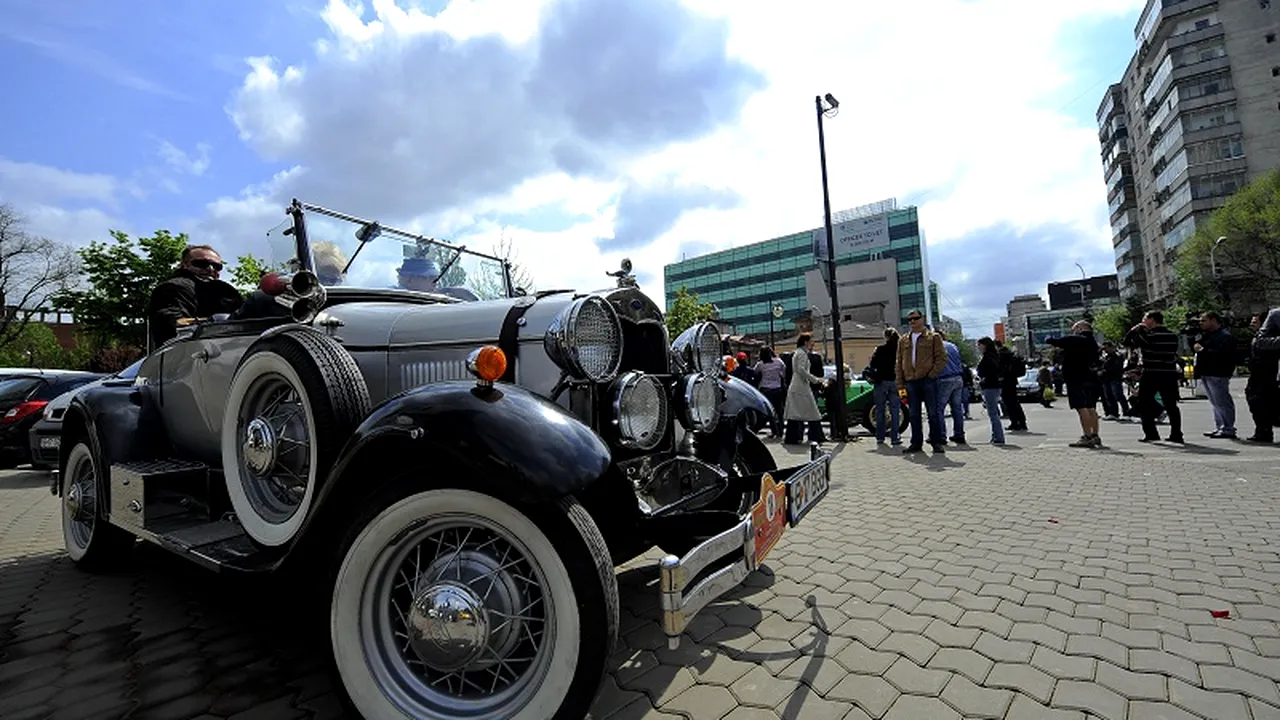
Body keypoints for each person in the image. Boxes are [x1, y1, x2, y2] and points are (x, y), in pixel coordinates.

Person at [146, 244, 244, 348]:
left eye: (217, 266)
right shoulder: (173, 287)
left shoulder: (226, 291)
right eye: (202, 264)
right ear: (184, 265)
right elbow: (173, 325)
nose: (211, 269)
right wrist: (214, 322)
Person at [1125, 310, 1183, 444]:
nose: (1143, 321)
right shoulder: (1172, 335)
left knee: (1144, 402)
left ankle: (1151, 433)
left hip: (1151, 372)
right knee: (1171, 404)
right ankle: (1176, 434)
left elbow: (1127, 342)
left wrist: (1134, 330)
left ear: (1152, 319)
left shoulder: (1148, 335)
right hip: (1169, 372)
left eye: (1145, 318)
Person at [1045, 321, 1103, 448]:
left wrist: (1048, 337)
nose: (1073, 331)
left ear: (1080, 328)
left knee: (1081, 407)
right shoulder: (1093, 342)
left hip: (1075, 377)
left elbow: (1053, 341)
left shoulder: (1077, 339)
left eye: (1075, 328)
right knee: (1091, 407)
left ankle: (1087, 436)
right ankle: (1095, 435)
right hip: (1089, 377)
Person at [896, 310, 947, 453]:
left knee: (933, 413)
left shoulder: (933, 337)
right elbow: (899, 363)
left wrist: (932, 374)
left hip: (928, 380)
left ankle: (936, 442)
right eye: (909, 320)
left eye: (915, 318)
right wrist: (900, 384)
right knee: (913, 414)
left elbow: (941, 358)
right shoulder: (903, 340)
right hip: (910, 382)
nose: (912, 322)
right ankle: (916, 443)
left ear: (923, 319)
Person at [1192, 311, 1238, 439]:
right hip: (1207, 372)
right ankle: (1221, 426)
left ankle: (1228, 428)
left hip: (1218, 372)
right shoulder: (1207, 335)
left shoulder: (1224, 336)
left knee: (1222, 401)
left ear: (1213, 320)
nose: (1201, 323)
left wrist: (1202, 350)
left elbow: (1222, 354)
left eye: (1203, 320)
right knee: (1215, 402)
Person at [784, 334, 826, 445]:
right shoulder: (802, 354)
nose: (813, 343)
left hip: (797, 386)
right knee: (813, 412)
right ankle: (817, 436)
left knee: (795, 414)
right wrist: (815, 379)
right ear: (806, 342)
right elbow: (801, 370)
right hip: (801, 387)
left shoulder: (798, 352)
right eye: (811, 341)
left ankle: (792, 437)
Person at [1245, 310, 1280, 443]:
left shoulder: (1269, 337)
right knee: (1255, 401)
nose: (1252, 324)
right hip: (1258, 373)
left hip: (1268, 374)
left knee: (1263, 403)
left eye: (1255, 321)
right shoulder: (1259, 337)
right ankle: (1262, 430)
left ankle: (1264, 431)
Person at [868, 328, 901, 446]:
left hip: (881, 382)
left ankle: (880, 437)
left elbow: (872, 364)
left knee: (880, 409)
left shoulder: (880, 349)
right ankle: (895, 437)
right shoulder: (899, 350)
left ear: (885, 337)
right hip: (895, 382)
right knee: (895, 410)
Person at [934, 330, 966, 444]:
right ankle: (959, 434)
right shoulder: (953, 346)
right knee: (957, 409)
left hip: (944, 379)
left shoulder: (937, 347)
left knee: (939, 409)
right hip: (958, 378)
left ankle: (941, 436)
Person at [975, 337, 1005, 445]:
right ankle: (995, 436)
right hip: (995, 386)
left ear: (984, 345)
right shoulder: (995, 356)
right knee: (994, 412)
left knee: (993, 413)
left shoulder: (988, 358)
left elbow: (987, 371)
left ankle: (998, 437)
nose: (978, 347)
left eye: (979, 344)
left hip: (990, 387)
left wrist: (983, 378)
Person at [753, 347, 786, 438]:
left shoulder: (760, 364)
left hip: (765, 389)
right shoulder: (779, 362)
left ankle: (774, 431)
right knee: (780, 411)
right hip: (778, 389)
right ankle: (780, 431)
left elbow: (755, 373)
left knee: (770, 412)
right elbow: (783, 373)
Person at [996, 341, 1029, 431]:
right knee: (1015, 402)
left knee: (1009, 403)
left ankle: (1015, 423)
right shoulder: (1009, 353)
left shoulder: (1002, 355)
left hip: (1006, 381)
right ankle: (1022, 422)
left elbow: (1000, 369)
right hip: (1012, 381)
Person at [1098, 342, 1129, 420]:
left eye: (1106, 348)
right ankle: (1113, 413)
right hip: (1106, 379)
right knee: (1109, 396)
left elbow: (1115, 367)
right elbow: (1101, 363)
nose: (1105, 350)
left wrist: (1104, 371)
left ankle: (1126, 412)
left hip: (1114, 378)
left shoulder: (1117, 356)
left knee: (1119, 396)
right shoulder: (1105, 356)